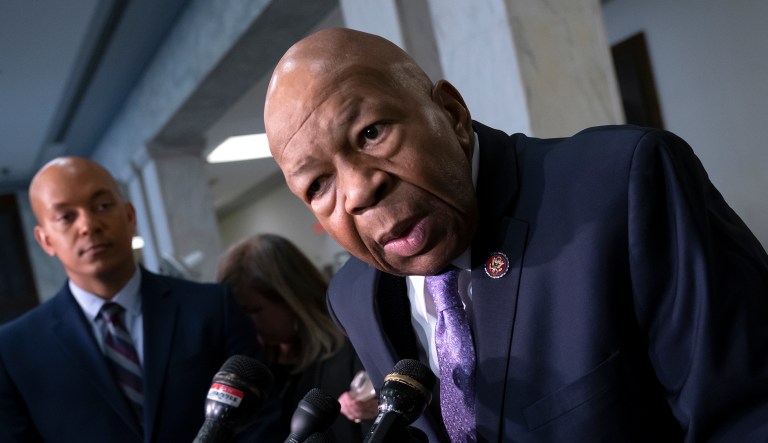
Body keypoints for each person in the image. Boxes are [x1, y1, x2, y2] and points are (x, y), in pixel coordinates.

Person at [262, 27, 768, 442]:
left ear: (453, 114)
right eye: (318, 184)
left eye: (371, 133)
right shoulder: (353, 297)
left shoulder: (623, 186)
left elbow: (748, 418)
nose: (357, 192)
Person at [0, 157, 280, 443]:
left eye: (102, 206)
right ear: (45, 239)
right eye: (66, 217)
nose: (88, 225)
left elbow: (261, 419)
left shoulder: (211, 307)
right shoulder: (12, 351)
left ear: (130, 216)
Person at [217, 233, 378, 442]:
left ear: (292, 298)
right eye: (238, 313)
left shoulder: (353, 348)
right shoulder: (259, 368)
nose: (247, 324)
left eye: (255, 310)